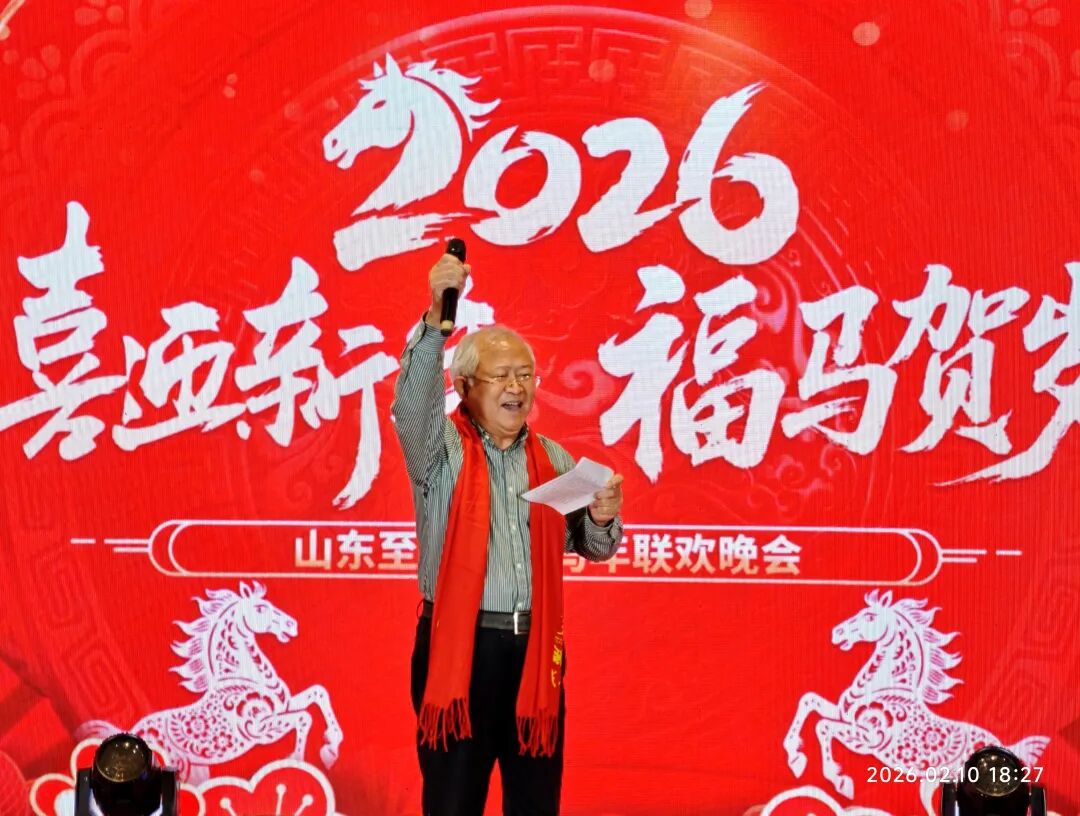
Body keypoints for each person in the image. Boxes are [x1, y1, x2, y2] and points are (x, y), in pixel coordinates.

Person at [391, 250, 625, 816]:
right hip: (460, 653)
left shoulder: (551, 458)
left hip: (534, 655)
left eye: (526, 375)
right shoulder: (438, 453)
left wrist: (601, 517)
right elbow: (412, 406)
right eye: (502, 376)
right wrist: (434, 319)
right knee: (452, 803)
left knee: (535, 803)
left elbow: (593, 547)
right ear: (465, 386)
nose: (517, 387)